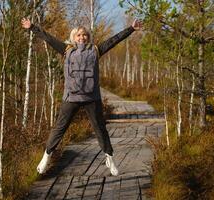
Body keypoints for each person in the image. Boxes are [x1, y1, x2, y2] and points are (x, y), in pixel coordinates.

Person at [21, 18, 142, 176]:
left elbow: (114, 40)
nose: (82, 37)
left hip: (92, 97)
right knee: (59, 128)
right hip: (71, 97)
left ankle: (109, 158)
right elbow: (48, 38)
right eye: (78, 35)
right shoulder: (66, 50)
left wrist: (131, 29)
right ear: (73, 37)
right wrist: (32, 27)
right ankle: (46, 156)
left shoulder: (96, 50)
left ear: (88, 37)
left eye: (84, 35)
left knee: (100, 128)